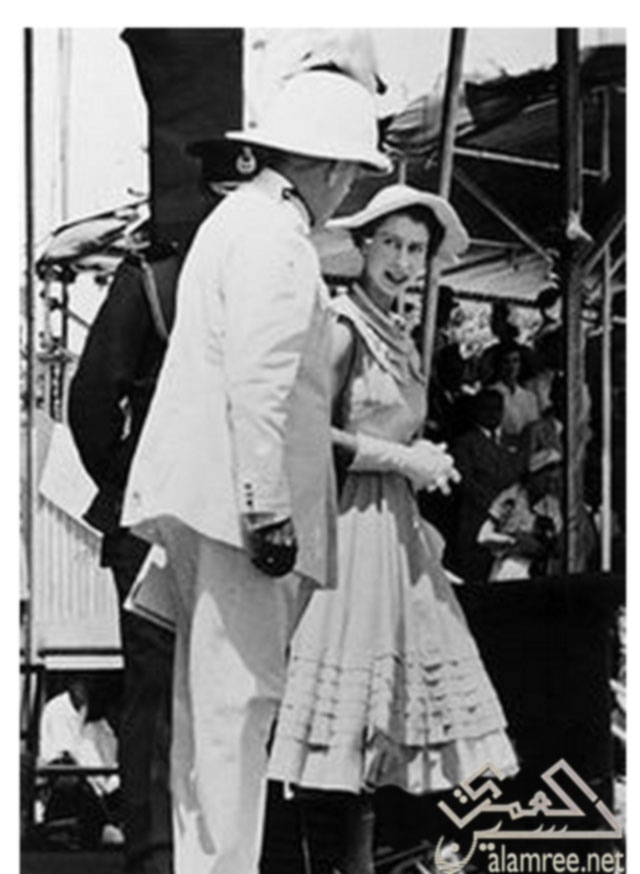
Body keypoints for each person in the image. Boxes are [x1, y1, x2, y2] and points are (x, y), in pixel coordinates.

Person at [120, 70, 391, 874]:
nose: (348, 189)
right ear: (330, 168)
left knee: (209, 719)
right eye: (352, 173)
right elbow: (262, 382)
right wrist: (267, 509)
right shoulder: (277, 240)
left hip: (203, 504)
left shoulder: (236, 221)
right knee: (238, 714)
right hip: (238, 514)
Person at [267, 185, 519, 874]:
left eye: (415, 249)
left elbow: (390, 421)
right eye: (391, 245)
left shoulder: (400, 334)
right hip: (348, 524)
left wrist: (422, 455)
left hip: (395, 527)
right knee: (344, 723)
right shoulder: (343, 326)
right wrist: (397, 459)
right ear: (364, 245)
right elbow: (304, 430)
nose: (403, 262)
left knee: (389, 723)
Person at [68, 242, 180, 874]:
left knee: (167, 698)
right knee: (159, 696)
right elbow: (91, 401)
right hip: (155, 514)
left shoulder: (160, 275)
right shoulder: (153, 277)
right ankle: (159, 858)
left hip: (181, 510)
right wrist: (127, 479)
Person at [444, 388, 527, 584]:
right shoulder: (465, 443)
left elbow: (519, 476)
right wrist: (493, 505)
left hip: (508, 522)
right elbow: (464, 482)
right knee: (476, 579)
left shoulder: (510, 443)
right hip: (475, 520)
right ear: (477, 411)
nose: (493, 414)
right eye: (487, 409)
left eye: (498, 409)